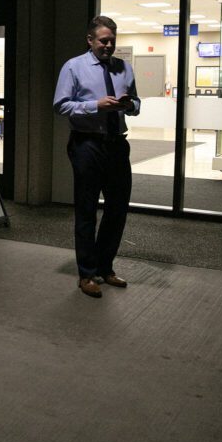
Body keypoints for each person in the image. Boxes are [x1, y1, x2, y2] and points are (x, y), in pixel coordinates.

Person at [53, 16, 140, 298]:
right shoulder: (74, 67)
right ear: (90, 40)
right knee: (87, 209)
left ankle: (106, 268)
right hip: (87, 144)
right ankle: (87, 274)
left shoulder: (123, 68)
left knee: (117, 209)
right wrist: (96, 105)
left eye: (112, 40)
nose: (109, 45)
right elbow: (61, 105)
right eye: (104, 40)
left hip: (116, 144)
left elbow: (136, 102)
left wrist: (130, 106)